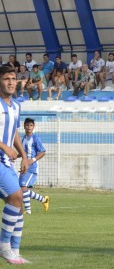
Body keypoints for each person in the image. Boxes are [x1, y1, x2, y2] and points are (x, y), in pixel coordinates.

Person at [0, 65, 30, 264]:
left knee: (18, 206)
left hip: (6, 163)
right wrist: (4, 146)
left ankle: (15, 251)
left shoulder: (16, 106)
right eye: (6, 79)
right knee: (17, 197)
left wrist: (24, 155)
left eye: (13, 79)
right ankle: (3, 247)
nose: (11, 82)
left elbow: (15, 132)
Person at [19, 118, 49, 215]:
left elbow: (43, 152)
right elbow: (23, 153)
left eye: (31, 125)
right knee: (23, 189)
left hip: (32, 168)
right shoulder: (23, 138)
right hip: (25, 167)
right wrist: (15, 155)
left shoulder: (35, 138)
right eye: (27, 125)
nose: (29, 127)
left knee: (23, 187)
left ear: (33, 127)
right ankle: (44, 200)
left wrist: (32, 160)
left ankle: (28, 210)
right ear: (24, 126)